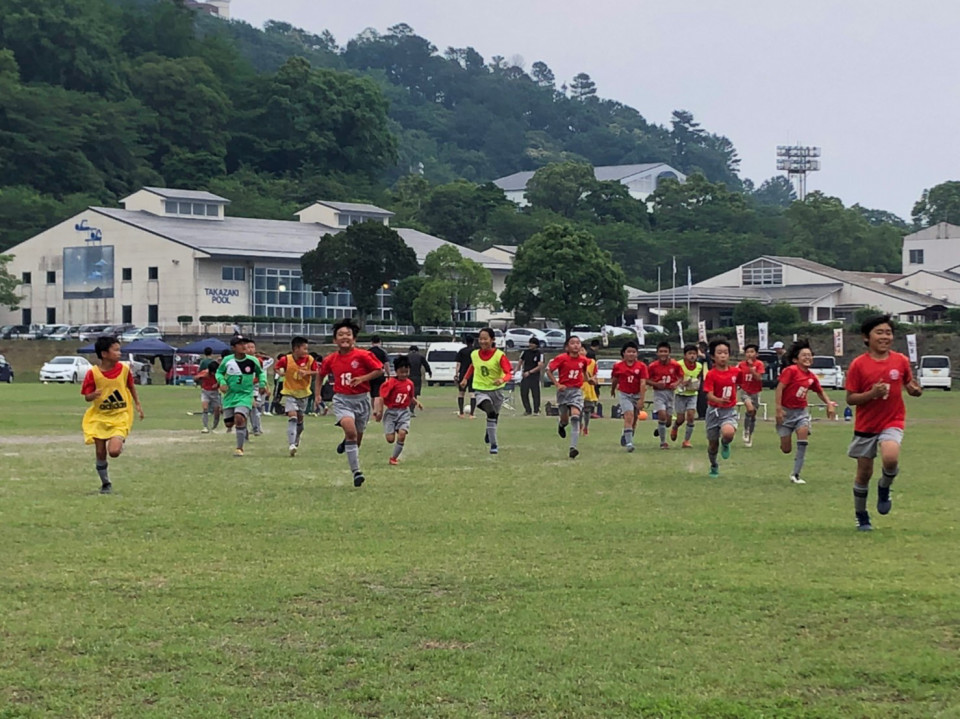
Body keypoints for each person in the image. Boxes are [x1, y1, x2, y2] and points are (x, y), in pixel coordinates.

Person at [845, 315, 922, 531]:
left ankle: (884, 487)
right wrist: (871, 394)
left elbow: (910, 384)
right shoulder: (858, 365)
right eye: (879, 332)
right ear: (866, 337)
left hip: (893, 420)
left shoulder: (900, 361)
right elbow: (850, 398)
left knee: (890, 457)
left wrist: (915, 390)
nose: (885, 336)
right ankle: (861, 515)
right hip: (866, 425)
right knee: (864, 473)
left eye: (888, 332)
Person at [318, 318, 384, 486]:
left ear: (354, 339)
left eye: (348, 334)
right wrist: (317, 394)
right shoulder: (330, 359)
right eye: (340, 334)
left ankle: (346, 441)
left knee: (356, 439)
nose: (344, 337)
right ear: (335, 340)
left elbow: (379, 370)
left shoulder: (364, 355)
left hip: (361, 400)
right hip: (342, 400)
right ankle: (356, 472)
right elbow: (320, 375)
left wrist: (363, 378)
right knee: (351, 432)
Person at [81, 336, 145, 493]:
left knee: (114, 452)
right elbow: (86, 396)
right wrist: (93, 394)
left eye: (119, 349)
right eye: (115, 350)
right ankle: (105, 483)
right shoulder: (93, 373)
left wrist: (137, 403)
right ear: (104, 354)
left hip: (120, 415)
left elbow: (130, 386)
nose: (119, 353)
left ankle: (120, 441)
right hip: (99, 417)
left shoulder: (124, 370)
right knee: (100, 452)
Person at [775, 340, 837, 485]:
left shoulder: (811, 377)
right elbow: (780, 388)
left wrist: (829, 404)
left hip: (801, 412)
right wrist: (778, 409)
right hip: (786, 413)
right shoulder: (790, 371)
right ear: (796, 359)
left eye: (810, 355)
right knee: (786, 449)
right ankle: (784, 439)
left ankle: (795, 474)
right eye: (804, 355)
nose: (808, 358)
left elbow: (820, 391)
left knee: (803, 437)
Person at [460, 327, 512, 454]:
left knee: (494, 416)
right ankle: (494, 446)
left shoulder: (499, 355)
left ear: (492, 340)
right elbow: (473, 366)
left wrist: (502, 380)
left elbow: (509, 372)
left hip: (497, 391)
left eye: (485, 339)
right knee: (490, 412)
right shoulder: (474, 354)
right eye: (481, 339)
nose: (482, 341)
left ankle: (489, 432)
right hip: (480, 389)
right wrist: (465, 379)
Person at [216, 336, 265, 457]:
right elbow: (219, 372)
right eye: (240, 344)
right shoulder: (227, 360)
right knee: (229, 423)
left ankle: (239, 448)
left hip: (245, 395)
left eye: (245, 344)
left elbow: (260, 372)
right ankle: (240, 423)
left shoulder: (253, 360)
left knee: (239, 417)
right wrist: (222, 382)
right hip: (230, 395)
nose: (244, 346)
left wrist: (263, 383)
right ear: (233, 348)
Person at [702, 338, 741, 478]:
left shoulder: (736, 372)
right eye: (719, 353)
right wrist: (719, 400)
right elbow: (709, 395)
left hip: (728, 411)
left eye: (725, 352)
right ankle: (713, 465)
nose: (723, 355)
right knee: (712, 445)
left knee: (728, 433)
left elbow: (745, 382)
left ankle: (725, 443)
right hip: (713, 411)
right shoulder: (711, 374)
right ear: (713, 356)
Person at [275, 336, 320, 457]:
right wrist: (280, 373)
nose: (306, 351)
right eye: (304, 349)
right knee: (292, 416)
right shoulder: (286, 359)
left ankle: (297, 438)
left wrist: (307, 373)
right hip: (289, 392)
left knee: (300, 419)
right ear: (296, 349)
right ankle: (291, 444)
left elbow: (317, 371)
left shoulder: (310, 359)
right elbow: (276, 367)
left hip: (303, 393)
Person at [547, 336, 590, 459]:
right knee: (565, 419)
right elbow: (548, 370)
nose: (576, 345)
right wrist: (557, 384)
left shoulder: (583, 360)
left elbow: (584, 373)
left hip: (576, 391)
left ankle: (573, 447)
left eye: (578, 343)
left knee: (576, 417)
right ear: (567, 347)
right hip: (564, 391)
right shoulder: (562, 358)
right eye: (572, 343)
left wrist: (590, 380)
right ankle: (561, 425)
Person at [380, 355, 424, 465]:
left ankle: (393, 458)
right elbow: (382, 396)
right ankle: (394, 428)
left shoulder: (410, 384)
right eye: (401, 372)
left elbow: (410, 396)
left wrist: (416, 402)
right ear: (396, 371)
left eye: (406, 372)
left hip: (404, 412)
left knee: (402, 434)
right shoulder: (391, 383)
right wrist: (379, 411)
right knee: (390, 439)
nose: (404, 375)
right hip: (391, 412)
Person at [610, 340, 648, 452]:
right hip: (625, 394)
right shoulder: (618, 366)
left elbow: (643, 383)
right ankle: (629, 443)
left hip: (637, 394)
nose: (631, 354)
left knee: (635, 418)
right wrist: (613, 389)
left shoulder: (641, 366)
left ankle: (627, 434)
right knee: (629, 415)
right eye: (629, 352)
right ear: (624, 353)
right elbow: (615, 379)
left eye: (634, 352)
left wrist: (641, 399)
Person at [648, 341, 683, 449]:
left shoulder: (675, 365)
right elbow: (646, 379)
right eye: (661, 351)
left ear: (669, 353)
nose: (663, 354)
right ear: (657, 353)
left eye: (665, 351)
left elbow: (681, 377)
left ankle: (660, 429)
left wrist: (676, 384)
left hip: (670, 393)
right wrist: (656, 384)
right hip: (659, 393)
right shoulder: (653, 366)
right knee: (662, 415)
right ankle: (663, 442)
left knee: (667, 421)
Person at [671, 343, 703, 448]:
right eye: (690, 354)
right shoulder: (678, 364)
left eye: (694, 354)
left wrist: (696, 383)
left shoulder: (699, 366)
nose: (692, 356)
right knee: (680, 419)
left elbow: (698, 377)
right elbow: (673, 377)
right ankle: (675, 427)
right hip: (680, 394)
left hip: (692, 394)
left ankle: (686, 441)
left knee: (691, 416)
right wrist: (681, 383)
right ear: (685, 355)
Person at [737, 344, 765, 447]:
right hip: (745, 391)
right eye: (747, 352)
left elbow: (759, 378)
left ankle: (750, 434)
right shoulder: (741, 365)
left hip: (755, 392)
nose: (749, 354)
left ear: (756, 354)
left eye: (752, 352)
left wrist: (752, 369)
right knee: (749, 408)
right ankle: (745, 430)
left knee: (753, 413)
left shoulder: (759, 364)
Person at [195, 352, 222, 433]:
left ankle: (214, 427)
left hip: (215, 393)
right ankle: (205, 426)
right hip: (205, 392)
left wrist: (217, 384)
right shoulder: (205, 372)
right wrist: (199, 378)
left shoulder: (219, 374)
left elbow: (223, 381)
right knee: (205, 408)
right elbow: (195, 378)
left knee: (217, 411)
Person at [519, 337, 544, 415]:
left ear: (536, 345)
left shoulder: (540, 353)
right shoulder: (525, 352)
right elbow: (520, 361)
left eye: (532, 343)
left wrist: (530, 372)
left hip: (534, 376)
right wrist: (516, 371)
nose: (530, 344)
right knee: (524, 392)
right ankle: (527, 410)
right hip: (525, 375)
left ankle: (536, 410)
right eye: (530, 343)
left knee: (535, 393)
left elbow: (540, 366)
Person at [455, 335, 477, 419]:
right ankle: (472, 414)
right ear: (473, 342)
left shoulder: (462, 351)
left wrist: (456, 374)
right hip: (474, 374)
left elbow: (458, 364)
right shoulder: (476, 352)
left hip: (463, 374)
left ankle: (461, 413)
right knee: (472, 394)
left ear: (465, 342)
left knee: (461, 393)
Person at [579, 346, 599, 435]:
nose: (581, 352)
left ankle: (586, 427)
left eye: (582, 350)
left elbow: (595, 374)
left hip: (588, 387)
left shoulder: (592, 362)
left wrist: (593, 380)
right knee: (578, 409)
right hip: (578, 387)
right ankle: (579, 425)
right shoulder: (575, 362)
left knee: (587, 409)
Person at [368, 335, 389, 418]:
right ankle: (377, 411)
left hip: (370, 375)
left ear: (372, 342)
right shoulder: (383, 351)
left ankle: (374, 410)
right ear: (380, 342)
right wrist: (388, 374)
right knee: (379, 394)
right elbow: (386, 364)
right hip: (380, 374)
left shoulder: (368, 352)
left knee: (372, 394)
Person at [406, 345, 432, 412]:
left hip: (408, 377)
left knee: (408, 393)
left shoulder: (406, 357)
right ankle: (412, 410)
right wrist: (429, 372)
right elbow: (426, 365)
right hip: (417, 377)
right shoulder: (420, 357)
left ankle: (408, 408)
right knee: (414, 393)